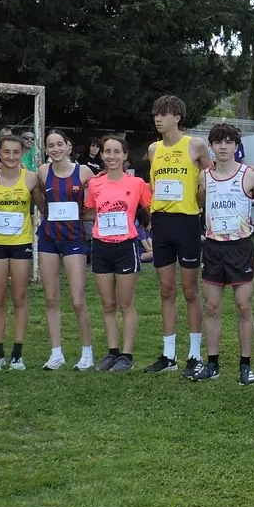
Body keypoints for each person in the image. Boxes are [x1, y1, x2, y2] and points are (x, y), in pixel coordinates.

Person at [143, 95, 212, 375]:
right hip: (161, 223)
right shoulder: (153, 149)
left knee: (190, 289)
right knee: (166, 289)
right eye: (156, 114)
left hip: (187, 222)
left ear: (177, 117)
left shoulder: (195, 145)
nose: (158, 119)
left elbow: (212, 178)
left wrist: (202, 197)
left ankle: (194, 354)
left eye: (163, 114)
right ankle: (169, 355)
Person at [191, 123, 254, 382]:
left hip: (240, 248)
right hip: (214, 248)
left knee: (243, 306)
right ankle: (212, 364)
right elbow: (199, 204)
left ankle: (245, 364)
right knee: (212, 307)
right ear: (211, 146)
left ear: (236, 146)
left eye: (228, 142)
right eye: (218, 142)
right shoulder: (204, 177)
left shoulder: (250, 176)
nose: (223, 147)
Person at [83, 134, 152, 371]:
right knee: (107, 303)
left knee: (126, 303)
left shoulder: (137, 183)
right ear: (102, 155)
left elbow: (149, 207)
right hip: (101, 247)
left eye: (116, 152)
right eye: (107, 152)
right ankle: (112, 352)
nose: (112, 156)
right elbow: (90, 211)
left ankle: (127, 355)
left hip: (126, 247)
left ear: (125, 155)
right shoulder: (95, 184)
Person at [36, 129, 96, 371]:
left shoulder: (84, 172)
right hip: (49, 239)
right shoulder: (43, 171)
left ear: (68, 147)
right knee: (51, 298)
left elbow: (97, 200)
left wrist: (84, 215)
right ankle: (56, 353)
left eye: (59, 144)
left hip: (74, 239)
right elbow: (41, 200)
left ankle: (87, 353)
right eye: (51, 145)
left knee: (78, 300)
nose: (56, 149)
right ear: (46, 149)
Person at [0, 133, 37, 370]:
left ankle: (17, 353)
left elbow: (41, 204)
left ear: (22, 154)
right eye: (6, 152)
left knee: (19, 297)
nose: (11, 157)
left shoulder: (31, 178)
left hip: (21, 243)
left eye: (16, 152)